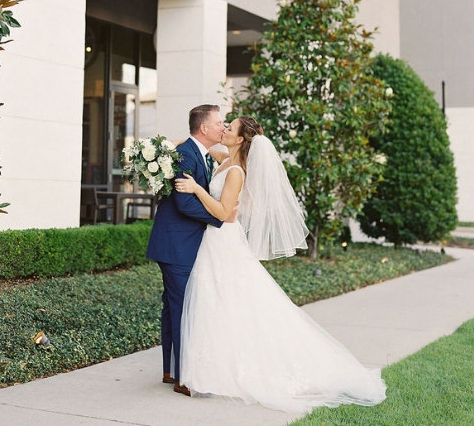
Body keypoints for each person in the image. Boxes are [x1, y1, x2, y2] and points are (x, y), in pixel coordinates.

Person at [173, 116, 386, 412]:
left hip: (223, 240)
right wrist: (160, 149)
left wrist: (197, 189)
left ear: (240, 140)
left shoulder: (236, 172)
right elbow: (197, 147)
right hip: (213, 242)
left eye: (229, 128)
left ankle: (230, 371)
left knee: (227, 299)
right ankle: (213, 367)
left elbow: (223, 212)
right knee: (219, 302)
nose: (224, 130)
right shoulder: (223, 158)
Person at [145, 104, 226, 395]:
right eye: (219, 122)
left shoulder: (201, 154)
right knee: (181, 310)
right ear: (204, 128)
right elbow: (184, 202)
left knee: (172, 308)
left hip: (182, 244)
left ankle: (170, 370)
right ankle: (183, 378)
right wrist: (220, 216)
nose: (222, 126)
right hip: (175, 246)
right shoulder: (185, 155)